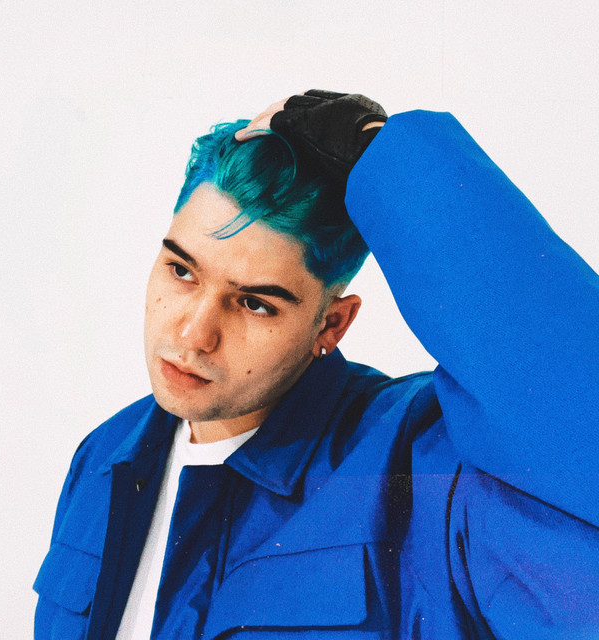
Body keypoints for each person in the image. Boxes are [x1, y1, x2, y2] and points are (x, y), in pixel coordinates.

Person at [33, 91, 599, 640]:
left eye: (254, 303)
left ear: (332, 324)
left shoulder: (419, 473)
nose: (193, 334)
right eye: (182, 271)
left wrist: (391, 162)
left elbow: (577, 433)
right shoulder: (104, 457)